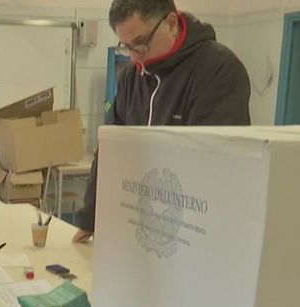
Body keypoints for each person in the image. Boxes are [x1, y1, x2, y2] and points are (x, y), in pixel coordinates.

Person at [73, 0, 251, 242]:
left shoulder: (218, 70)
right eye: (127, 47)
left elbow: (215, 170)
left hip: (194, 232)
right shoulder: (132, 78)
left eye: (141, 43)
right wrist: (90, 218)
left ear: (171, 23)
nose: (134, 57)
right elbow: (110, 150)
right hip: (143, 226)